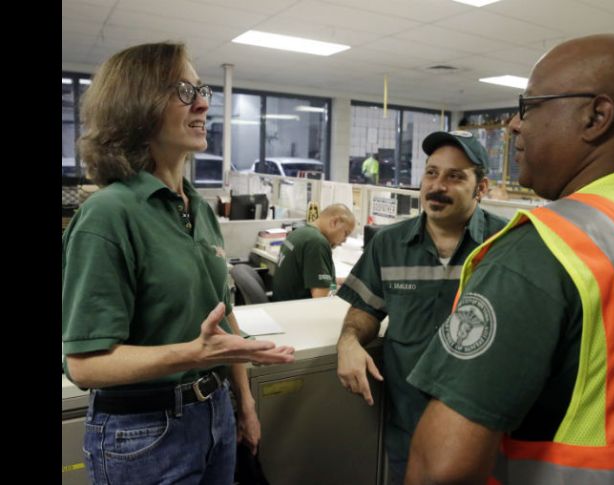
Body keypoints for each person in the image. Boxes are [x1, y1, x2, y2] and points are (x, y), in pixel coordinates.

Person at [405, 34, 614, 484]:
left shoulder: (542, 250)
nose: (512, 125)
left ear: (597, 117)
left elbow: (442, 468)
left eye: (530, 106)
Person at [61, 42, 295, 485]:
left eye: (201, 89)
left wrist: (244, 404)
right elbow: (85, 365)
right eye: (184, 91)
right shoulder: (110, 213)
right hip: (143, 434)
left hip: (215, 416)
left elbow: (225, 326)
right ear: (137, 106)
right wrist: (193, 353)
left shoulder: (198, 209)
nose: (204, 102)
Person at [335, 131, 508, 484]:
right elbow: (365, 310)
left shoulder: (506, 244)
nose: (437, 185)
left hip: (483, 431)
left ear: (481, 187)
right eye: (431, 172)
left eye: (455, 176)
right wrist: (349, 341)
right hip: (409, 425)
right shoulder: (389, 243)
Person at [272, 203, 355, 301]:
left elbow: (315, 281)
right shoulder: (316, 242)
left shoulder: (299, 233)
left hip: (282, 306)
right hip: (298, 311)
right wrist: (347, 291)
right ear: (334, 222)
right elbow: (322, 298)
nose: (344, 240)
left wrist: (339, 282)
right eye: (345, 233)